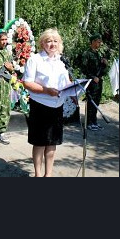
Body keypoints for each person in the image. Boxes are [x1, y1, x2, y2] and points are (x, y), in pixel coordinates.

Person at [22, 28, 74, 177]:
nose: (52, 44)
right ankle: (38, 175)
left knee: (52, 142)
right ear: (42, 43)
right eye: (48, 41)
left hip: (57, 106)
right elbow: (27, 83)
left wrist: (74, 90)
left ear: (60, 43)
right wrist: (46, 90)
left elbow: (67, 81)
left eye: (55, 41)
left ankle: (48, 174)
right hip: (40, 105)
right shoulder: (35, 59)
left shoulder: (62, 61)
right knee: (40, 142)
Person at [78, 33, 109, 131]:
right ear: (93, 42)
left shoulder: (98, 54)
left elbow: (102, 70)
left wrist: (105, 64)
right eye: (98, 42)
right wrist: (92, 77)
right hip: (91, 81)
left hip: (99, 81)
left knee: (96, 101)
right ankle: (88, 123)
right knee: (91, 101)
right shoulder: (87, 54)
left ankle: (94, 121)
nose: (100, 44)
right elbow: (83, 68)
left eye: (100, 42)